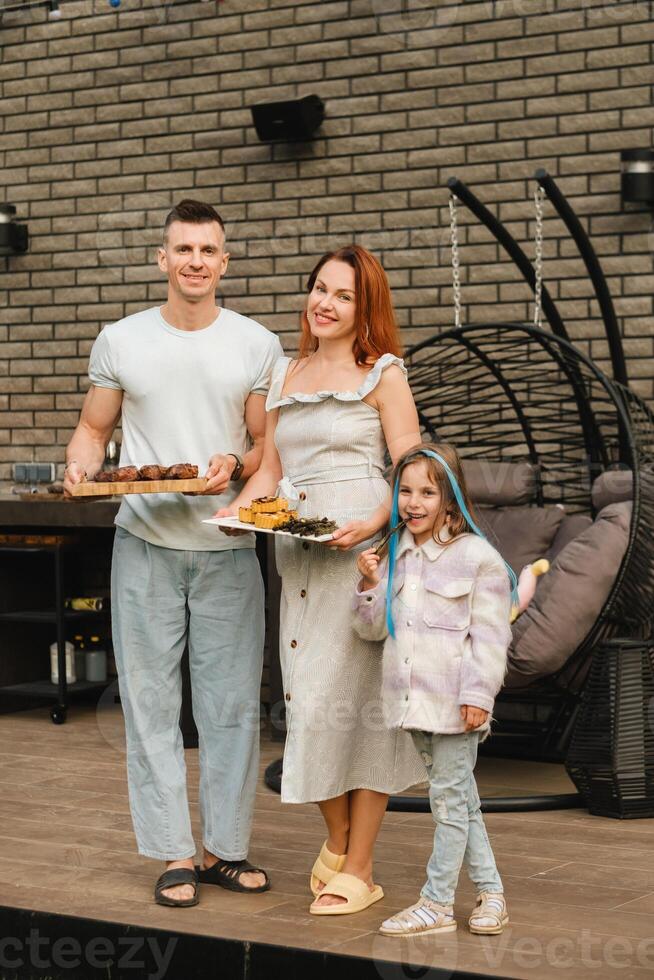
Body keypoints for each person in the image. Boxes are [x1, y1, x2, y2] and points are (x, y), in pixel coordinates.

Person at [63, 200, 283, 907]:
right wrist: (78, 465)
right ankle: (174, 854)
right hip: (144, 546)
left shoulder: (255, 344)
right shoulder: (122, 340)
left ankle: (225, 850)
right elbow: (93, 429)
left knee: (229, 709)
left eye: (208, 250)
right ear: (163, 259)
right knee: (151, 706)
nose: (195, 261)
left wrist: (236, 462)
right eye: (182, 249)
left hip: (226, 547)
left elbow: (265, 449)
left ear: (225, 262)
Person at [216, 245, 425, 916]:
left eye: (342, 295)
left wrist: (374, 524)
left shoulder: (384, 375)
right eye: (319, 289)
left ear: (366, 310)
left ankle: (359, 868)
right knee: (309, 706)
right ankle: (339, 841)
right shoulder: (287, 373)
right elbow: (270, 472)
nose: (324, 302)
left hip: (362, 557)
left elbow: (413, 473)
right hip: (300, 551)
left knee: (362, 713)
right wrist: (240, 513)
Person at [353, 442, 512, 937]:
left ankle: (437, 903)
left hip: (456, 705)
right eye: (405, 491)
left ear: (450, 498)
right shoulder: (396, 553)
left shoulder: (478, 559)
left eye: (427, 492)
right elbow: (371, 630)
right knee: (461, 800)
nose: (413, 502)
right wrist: (370, 586)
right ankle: (492, 894)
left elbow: (490, 638)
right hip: (410, 704)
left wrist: (478, 698)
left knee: (447, 803)